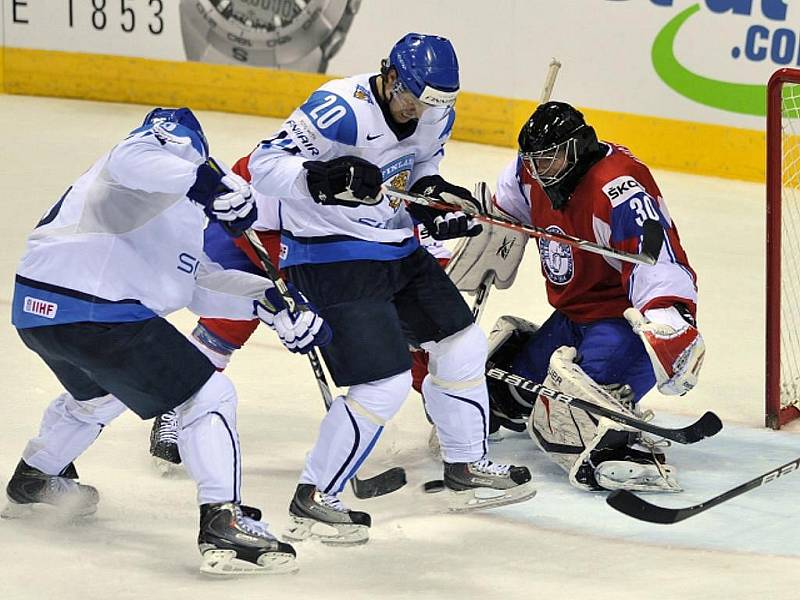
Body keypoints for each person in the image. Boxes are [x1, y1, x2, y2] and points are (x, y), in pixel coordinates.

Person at [237, 32, 537, 544]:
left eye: (433, 106)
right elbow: (264, 165)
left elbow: (420, 171)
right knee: (386, 383)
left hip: (396, 248)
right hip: (330, 256)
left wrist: (433, 201)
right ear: (392, 76)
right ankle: (315, 497)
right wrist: (320, 175)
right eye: (413, 101)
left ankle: (466, 466)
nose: (421, 114)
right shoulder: (340, 111)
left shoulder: (436, 112)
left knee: (462, 344)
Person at [4, 108, 331, 574]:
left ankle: (35, 477)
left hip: (42, 312)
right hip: (97, 311)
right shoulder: (147, 154)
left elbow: (196, 284)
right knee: (208, 393)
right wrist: (207, 181)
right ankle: (224, 521)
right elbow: (141, 158)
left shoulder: (169, 209)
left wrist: (266, 301)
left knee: (100, 398)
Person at [481, 101, 706, 493]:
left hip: (621, 324)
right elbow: (501, 218)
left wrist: (670, 322)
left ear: (579, 147)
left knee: (572, 418)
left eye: (549, 160)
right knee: (507, 392)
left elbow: (657, 259)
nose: (538, 171)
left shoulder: (618, 188)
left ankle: (620, 437)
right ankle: (599, 408)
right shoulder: (527, 175)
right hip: (571, 316)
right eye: (533, 161)